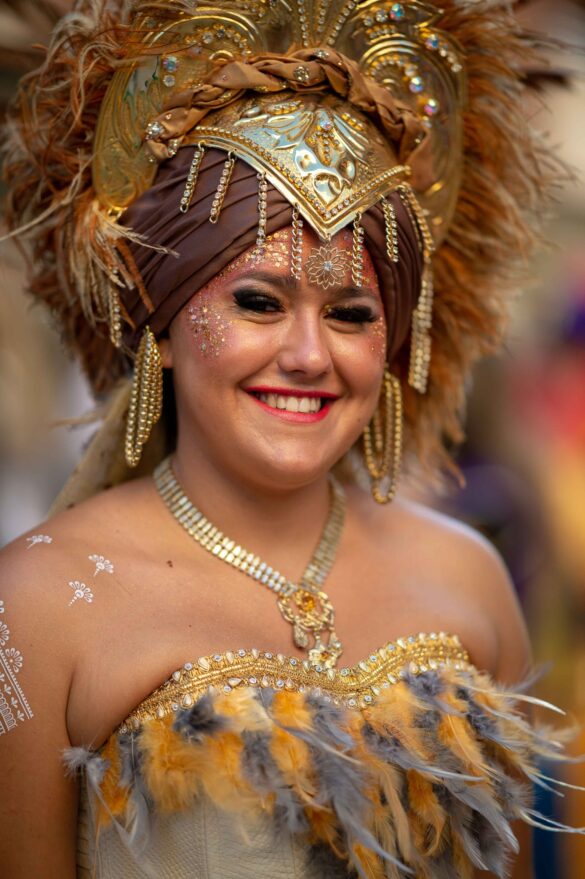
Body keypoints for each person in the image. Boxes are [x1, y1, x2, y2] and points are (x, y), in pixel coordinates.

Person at [0, 1, 576, 877]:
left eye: (350, 314)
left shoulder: (468, 577)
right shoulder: (37, 606)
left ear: (394, 341)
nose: (308, 356)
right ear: (161, 319)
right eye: (257, 302)